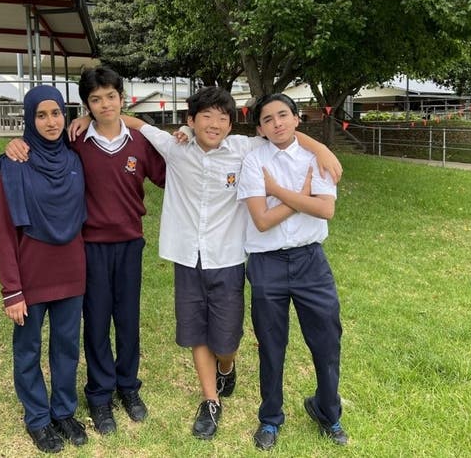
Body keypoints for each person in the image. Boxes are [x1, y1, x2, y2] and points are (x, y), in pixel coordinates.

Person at [97, 86, 342, 441]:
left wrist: (319, 146)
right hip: (186, 254)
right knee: (196, 330)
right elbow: (132, 122)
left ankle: (227, 366)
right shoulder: (174, 146)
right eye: (205, 117)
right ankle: (210, 400)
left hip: (226, 256)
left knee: (226, 340)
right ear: (190, 121)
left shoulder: (245, 148)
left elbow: (281, 131)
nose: (214, 124)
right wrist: (91, 117)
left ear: (232, 125)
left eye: (222, 118)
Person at [4, 67, 166, 436]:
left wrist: (185, 136)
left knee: (127, 321)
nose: (105, 104)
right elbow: (38, 141)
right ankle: (99, 394)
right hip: (89, 247)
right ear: (85, 106)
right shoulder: (75, 141)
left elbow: (169, 174)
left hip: (129, 244)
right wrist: (12, 143)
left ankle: (128, 386)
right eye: (95, 99)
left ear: (122, 98)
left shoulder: (139, 142)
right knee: (95, 323)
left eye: (111, 96)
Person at [236, 93, 347, 450]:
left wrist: (276, 190)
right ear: (260, 128)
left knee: (327, 341)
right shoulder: (253, 161)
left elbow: (325, 210)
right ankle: (270, 419)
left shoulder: (317, 158)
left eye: (283, 115)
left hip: (311, 261)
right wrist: (300, 198)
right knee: (271, 344)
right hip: (267, 263)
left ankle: (328, 412)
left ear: (297, 119)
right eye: (268, 119)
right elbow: (263, 220)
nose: (277, 123)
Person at [0, 85, 89, 453]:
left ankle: (63, 411)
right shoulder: (13, 165)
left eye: (57, 113)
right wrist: (12, 290)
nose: (51, 122)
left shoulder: (75, 159)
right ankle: (37, 418)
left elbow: (105, 125)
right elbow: (4, 233)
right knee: (28, 349)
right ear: (29, 119)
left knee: (66, 347)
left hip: (72, 273)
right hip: (30, 277)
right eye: (41, 115)